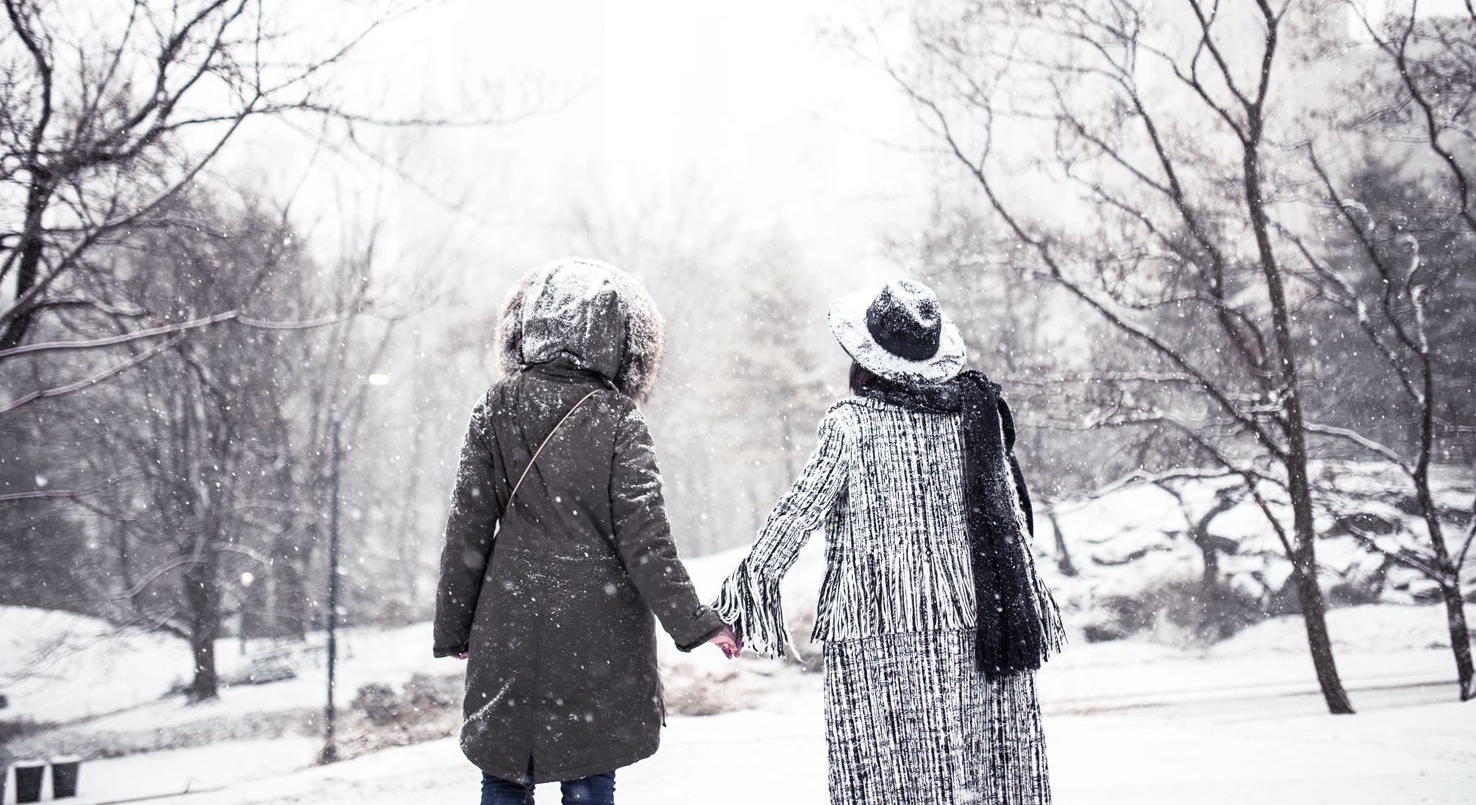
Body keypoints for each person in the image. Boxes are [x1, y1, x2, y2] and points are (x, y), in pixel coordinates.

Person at [713, 279, 1064, 805]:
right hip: (981, 626)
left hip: (878, 634)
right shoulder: (976, 414)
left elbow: (795, 515)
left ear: (865, 358)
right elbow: (1012, 523)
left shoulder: (851, 425)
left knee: (887, 784)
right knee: (983, 780)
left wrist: (743, 600)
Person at [434, 258, 739, 805]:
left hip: (510, 615)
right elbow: (646, 541)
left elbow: (468, 529)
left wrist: (457, 626)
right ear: (619, 336)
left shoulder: (494, 408)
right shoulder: (619, 419)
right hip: (598, 627)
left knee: (504, 771)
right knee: (590, 773)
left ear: (526, 326)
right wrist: (698, 624)